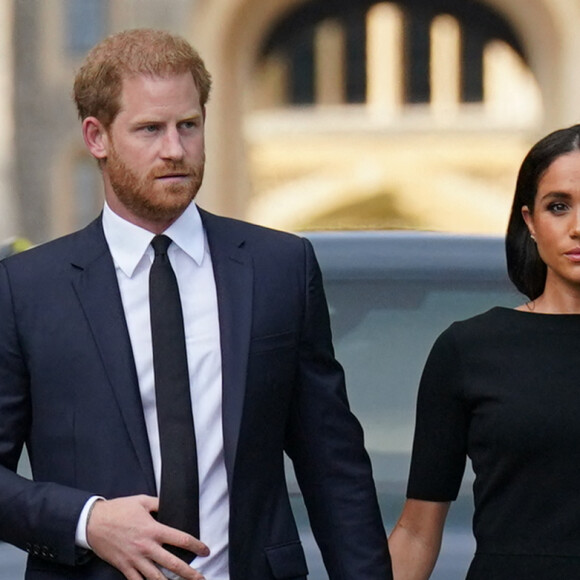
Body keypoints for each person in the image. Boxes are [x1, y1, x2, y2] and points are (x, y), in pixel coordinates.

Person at [0, 29, 391, 580]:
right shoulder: (26, 288)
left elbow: (334, 465)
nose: (175, 150)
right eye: (149, 129)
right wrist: (88, 521)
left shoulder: (279, 267)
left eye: (189, 125)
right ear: (96, 136)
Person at [388, 123, 580, 579]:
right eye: (559, 207)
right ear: (530, 221)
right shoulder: (470, 350)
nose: (578, 227)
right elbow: (417, 530)